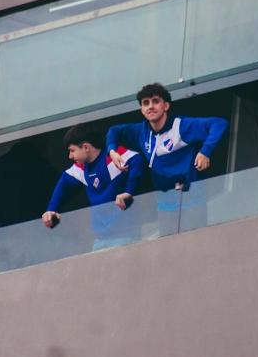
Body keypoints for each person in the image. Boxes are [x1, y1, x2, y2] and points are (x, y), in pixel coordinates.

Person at [106, 83, 228, 192]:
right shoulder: (141, 131)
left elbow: (218, 123)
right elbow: (114, 130)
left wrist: (205, 151)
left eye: (155, 101)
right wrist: (112, 151)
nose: (150, 106)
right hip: (164, 199)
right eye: (146, 103)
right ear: (142, 110)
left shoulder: (181, 126)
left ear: (166, 106)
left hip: (191, 194)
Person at [42, 123, 144, 251]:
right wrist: (51, 209)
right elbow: (63, 184)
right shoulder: (81, 167)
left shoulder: (112, 156)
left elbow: (137, 160)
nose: (70, 156)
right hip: (101, 239)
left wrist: (129, 191)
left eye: (72, 150)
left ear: (86, 147)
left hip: (127, 235)